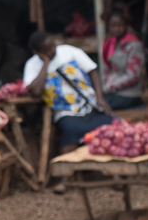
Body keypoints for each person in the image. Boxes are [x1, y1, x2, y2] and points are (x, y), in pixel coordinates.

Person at [24, 32, 114, 193]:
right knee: (71, 131)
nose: (52, 51)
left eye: (53, 46)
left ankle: (116, 175)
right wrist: (45, 63)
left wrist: (100, 97)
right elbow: (35, 91)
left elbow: (93, 71)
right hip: (65, 112)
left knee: (109, 127)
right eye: (47, 50)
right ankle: (65, 179)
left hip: (89, 105)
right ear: (37, 52)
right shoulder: (32, 65)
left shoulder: (70, 51)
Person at [101, 9, 146, 110]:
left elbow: (133, 77)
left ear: (126, 25)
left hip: (129, 94)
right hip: (112, 91)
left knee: (101, 107)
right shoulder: (110, 44)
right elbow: (107, 69)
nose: (117, 29)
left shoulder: (134, 45)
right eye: (113, 26)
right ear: (109, 26)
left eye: (120, 25)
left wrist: (109, 87)